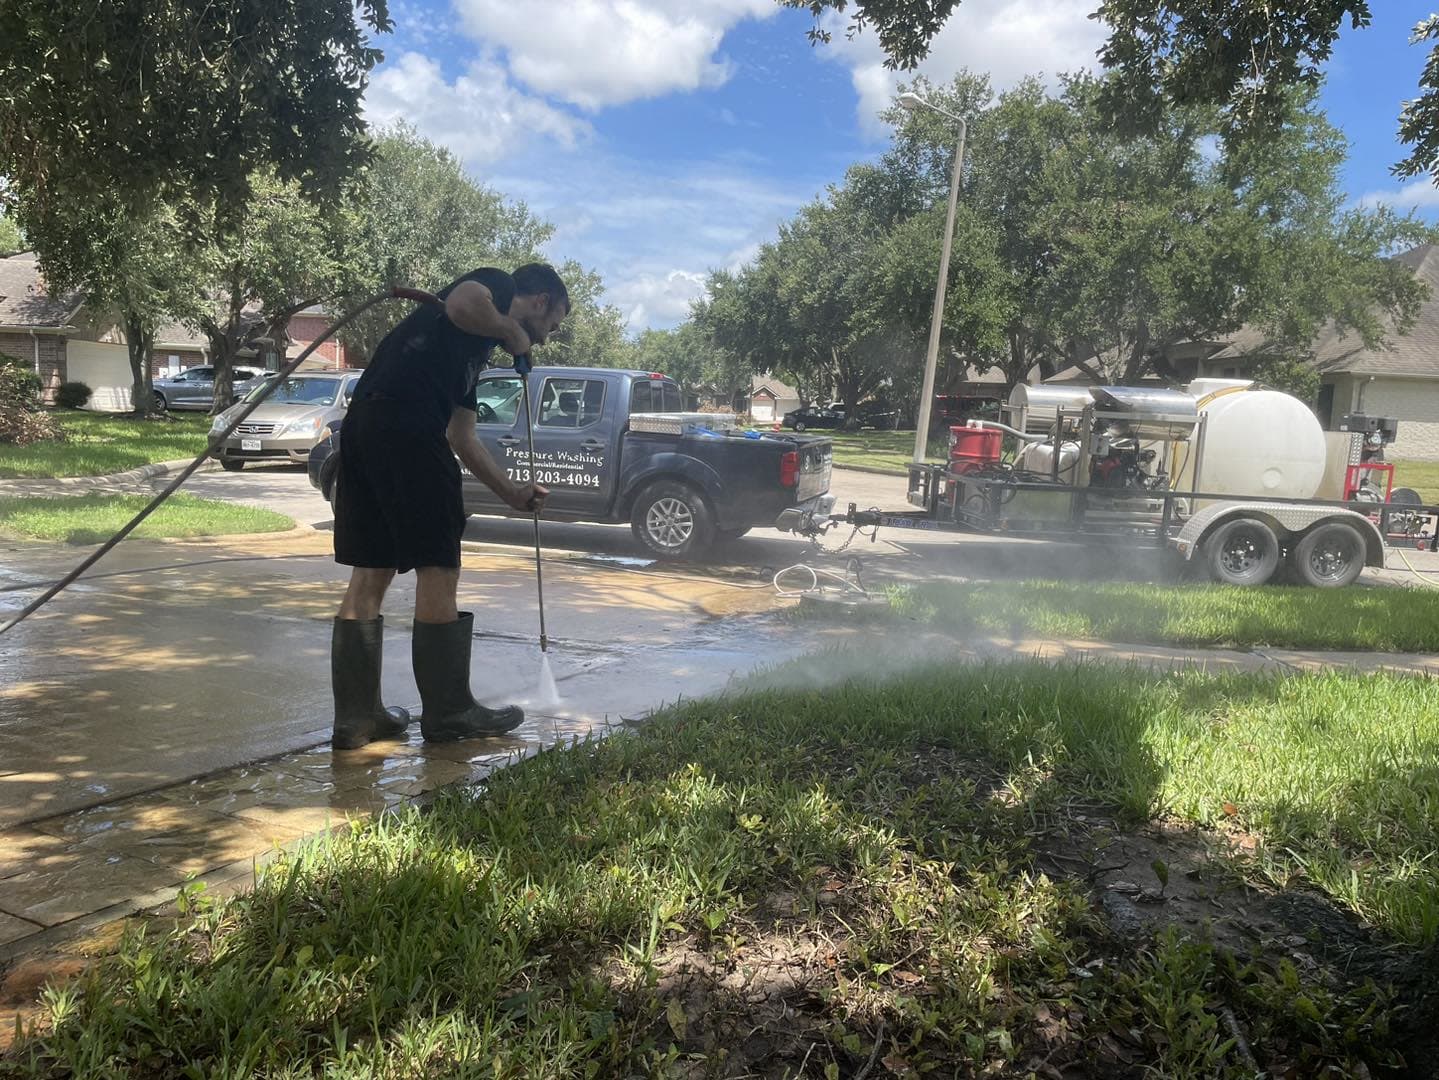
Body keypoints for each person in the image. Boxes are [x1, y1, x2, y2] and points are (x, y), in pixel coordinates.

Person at [328, 263, 568, 750]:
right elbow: (462, 303)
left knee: (372, 570)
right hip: (408, 428)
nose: (543, 339)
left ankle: (357, 719)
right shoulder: (496, 287)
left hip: (365, 429)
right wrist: (513, 334)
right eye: (551, 325)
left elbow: (463, 436)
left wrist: (511, 494)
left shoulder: (469, 355)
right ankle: (450, 712)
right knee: (438, 566)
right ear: (539, 301)